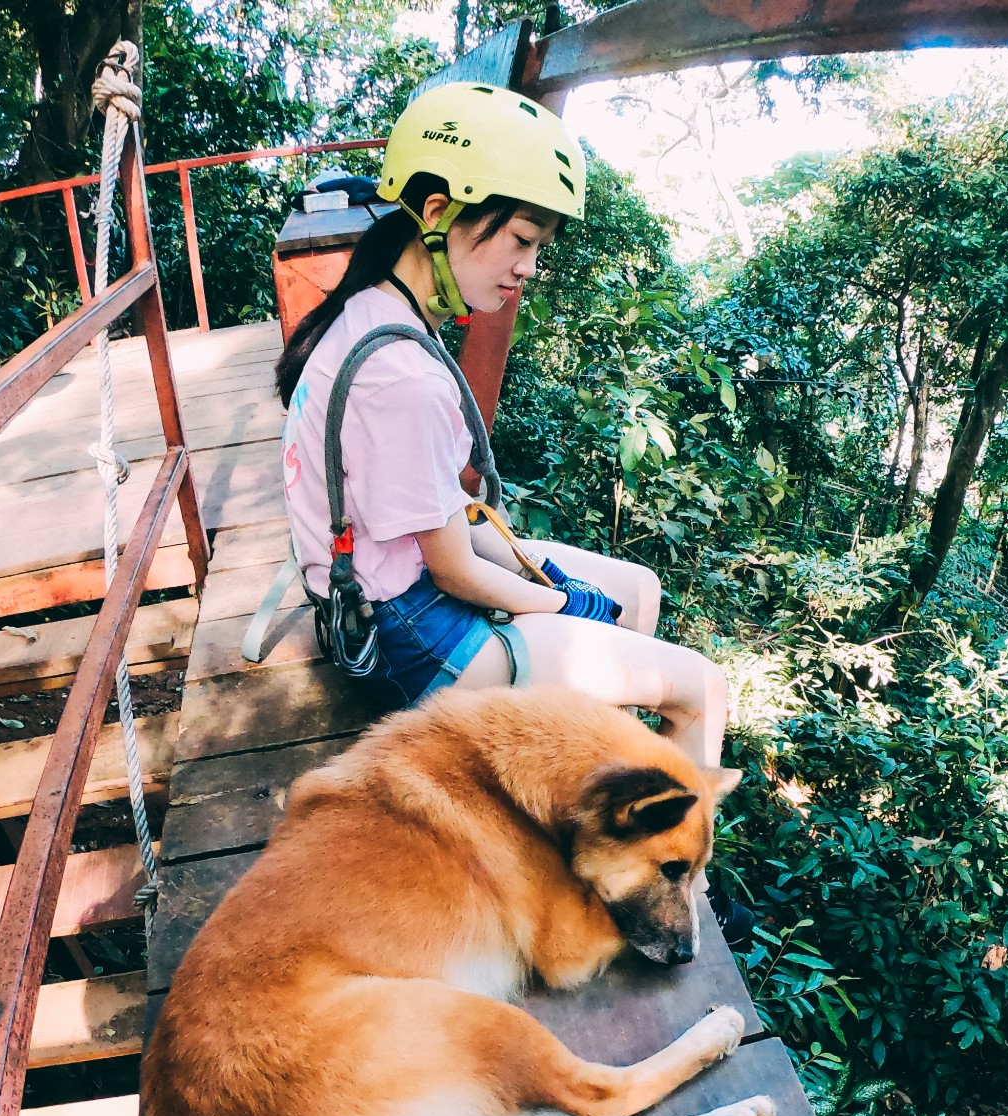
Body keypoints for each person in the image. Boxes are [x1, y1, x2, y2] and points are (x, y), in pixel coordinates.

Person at [274, 82, 729, 769]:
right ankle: (668, 873)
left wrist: (554, 591)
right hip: (408, 634)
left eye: (538, 246)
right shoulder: (404, 375)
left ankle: (587, 780)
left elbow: (447, 524)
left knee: (638, 591)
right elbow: (453, 569)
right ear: (437, 212)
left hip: (385, 591)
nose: (529, 268)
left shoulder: (371, 306)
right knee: (703, 688)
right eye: (520, 238)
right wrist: (557, 606)